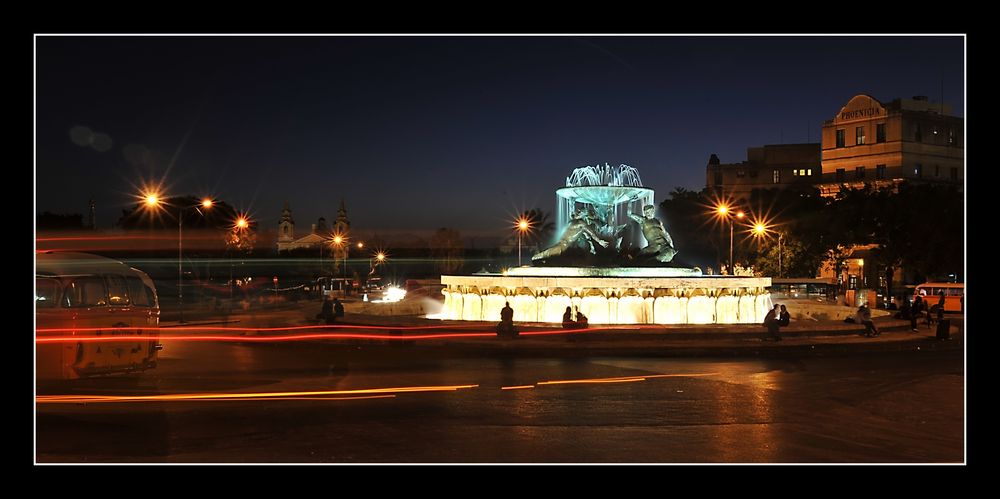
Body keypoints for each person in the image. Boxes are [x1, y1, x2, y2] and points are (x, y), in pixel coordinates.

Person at [532, 208, 609, 261]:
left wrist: (592, 246)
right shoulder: (581, 223)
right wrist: (599, 241)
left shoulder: (573, 223)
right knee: (546, 254)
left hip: (564, 244)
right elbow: (591, 233)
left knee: (548, 254)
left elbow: (587, 235)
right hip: (564, 245)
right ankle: (536, 257)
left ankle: (537, 257)